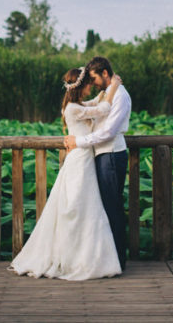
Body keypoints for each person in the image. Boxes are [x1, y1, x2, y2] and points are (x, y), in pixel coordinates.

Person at [9, 66, 122, 280]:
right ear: (81, 86)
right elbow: (104, 109)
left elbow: (94, 104)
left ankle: (86, 256)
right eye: (89, 82)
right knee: (77, 206)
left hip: (84, 158)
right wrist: (114, 87)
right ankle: (74, 257)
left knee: (87, 206)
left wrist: (102, 93)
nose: (91, 85)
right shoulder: (72, 108)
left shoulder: (76, 106)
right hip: (80, 160)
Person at [63, 56, 131, 270]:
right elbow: (97, 108)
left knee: (112, 208)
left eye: (94, 79)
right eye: (88, 81)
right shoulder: (106, 95)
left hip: (110, 153)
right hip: (100, 155)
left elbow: (108, 132)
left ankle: (118, 260)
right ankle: (105, 258)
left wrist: (78, 141)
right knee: (103, 207)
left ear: (104, 73)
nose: (92, 84)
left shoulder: (120, 95)